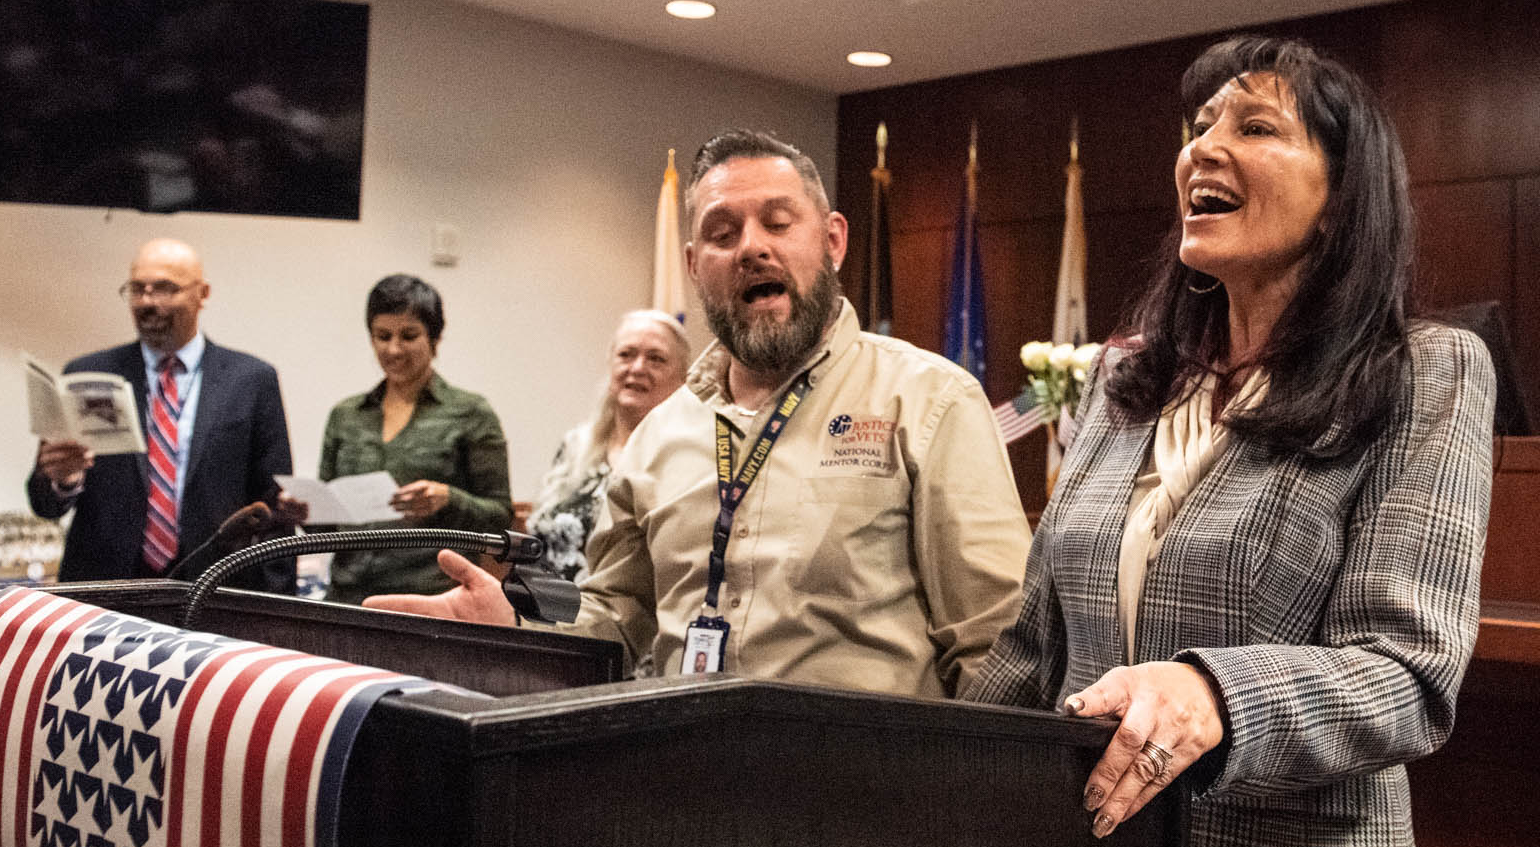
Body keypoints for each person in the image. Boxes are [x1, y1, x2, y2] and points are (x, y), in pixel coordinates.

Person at [965, 36, 1495, 847]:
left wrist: (1216, 694)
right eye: (1199, 126)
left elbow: (1409, 674)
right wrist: (908, 789)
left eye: (1254, 125)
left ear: (1347, 197)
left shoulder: (1424, 376)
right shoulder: (1126, 387)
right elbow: (1034, 653)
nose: (1206, 145)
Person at [369, 128, 1032, 698]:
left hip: (867, 805)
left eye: (777, 223)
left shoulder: (928, 401)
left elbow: (996, 641)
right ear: (693, 265)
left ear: (832, 242)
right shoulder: (660, 434)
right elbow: (613, 609)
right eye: (722, 233)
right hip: (682, 792)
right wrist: (518, 624)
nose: (751, 247)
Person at [27, 237, 297, 587]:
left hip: (216, 588)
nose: (147, 302)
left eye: (165, 289)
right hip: (106, 589)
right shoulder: (87, 374)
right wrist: (62, 480)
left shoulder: (252, 380)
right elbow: (44, 503)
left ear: (203, 294)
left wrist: (279, 601)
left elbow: (274, 502)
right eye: (138, 289)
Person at [315, 274, 513, 603]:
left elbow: (499, 517)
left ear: (434, 339)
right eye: (382, 336)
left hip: (432, 599)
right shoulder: (345, 415)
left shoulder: (472, 412)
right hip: (348, 597)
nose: (393, 349)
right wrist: (305, 511)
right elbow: (326, 527)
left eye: (408, 336)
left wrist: (448, 498)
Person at [525, 309, 691, 580]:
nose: (637, 368)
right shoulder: (575, 447)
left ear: (682, 377)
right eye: (626, 355)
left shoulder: (686, 460)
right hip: (541, 613)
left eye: (656, 359)